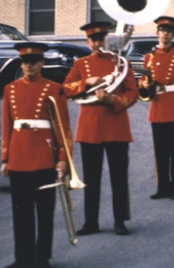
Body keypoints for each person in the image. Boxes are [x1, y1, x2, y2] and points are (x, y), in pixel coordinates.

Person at [1, 42, 73, 268]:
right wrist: (5, 158)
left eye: (33, 62)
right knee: (21, 211)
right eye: (25, 62)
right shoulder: (10, 89)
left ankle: (42, 256)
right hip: (18, 157)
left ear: (42, 63)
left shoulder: (54, 89)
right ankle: (23, 257)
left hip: (44, 156)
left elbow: (63, 127)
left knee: (44, 211)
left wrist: (63, 157)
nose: (29, 66)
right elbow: (6, 126)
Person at [62, 22, 138, 237]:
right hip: (91, 128)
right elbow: (66, 89)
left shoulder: (121, 63)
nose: (97, 44)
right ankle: (91, 222)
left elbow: (133, 93)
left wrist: (112, 100)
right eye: (93, 40)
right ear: (87, 42)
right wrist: (87, 82)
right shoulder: (80, 64)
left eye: (100, 39)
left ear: (107, 40)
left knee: (119, 177)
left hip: (116, 126)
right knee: (91, 178)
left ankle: (120, 220)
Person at [140, 17, 174, 200]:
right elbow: (142, 82)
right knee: (160, 151)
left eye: (169, 31)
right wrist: (145, 84)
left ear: (173, 34)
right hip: (158, 107)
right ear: (157, 33)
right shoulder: (149, 57)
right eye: (162, 30)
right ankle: (162, 186)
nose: (165, 34)